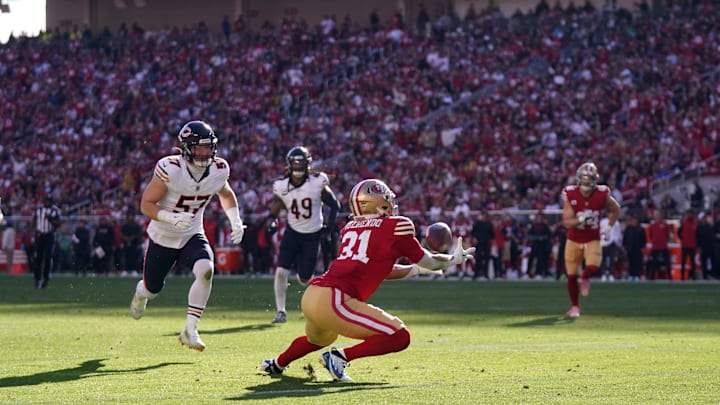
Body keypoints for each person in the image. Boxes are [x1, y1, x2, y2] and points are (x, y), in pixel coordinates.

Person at [258, 179, 475, 381]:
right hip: (335, 300)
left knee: (317, 340)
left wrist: (416, 270)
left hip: (314, 296)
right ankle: (339, 357)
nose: (391, 205)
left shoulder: (350, 228)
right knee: (399, 336)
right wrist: (451, 260)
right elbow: (430, 261)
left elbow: (381, 269)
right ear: (377, 203)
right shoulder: (397, 226)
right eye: (387, 200)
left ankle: (277, 364)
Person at [129, 120, 246, 352]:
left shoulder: (219, 169)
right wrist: (171, 218)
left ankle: (190, 329)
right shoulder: (171, 168)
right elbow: (146, 204)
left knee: (206, 269)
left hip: (192, 233)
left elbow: (226, 192)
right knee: (152, 289)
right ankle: (140, 294)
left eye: (209, 146)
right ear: (187, 147)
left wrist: (235, 220)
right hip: (163, 235)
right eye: (200, 147)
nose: (206, 152)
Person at [266, 146, 340, 324]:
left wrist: (329, 228)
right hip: (292, 232)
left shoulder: (317, 182)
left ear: (308, 164)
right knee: (281, 271)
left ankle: (323, 301)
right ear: (289, 164)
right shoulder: (282, 185)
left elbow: (334, 205)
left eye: (301, 162)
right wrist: (271, 221)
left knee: (304, 278)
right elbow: (275, 210)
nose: (298, 166)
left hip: (312, 235)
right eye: (295, 162)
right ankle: (281, 311)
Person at [561, 162, 620, 317]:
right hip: (574, 239)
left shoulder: (601, 193)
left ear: (595, 179)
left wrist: (609, 227)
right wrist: (580, 219)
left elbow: (615, 209)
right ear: (579, 178)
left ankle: (585, 277)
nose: (586, 181)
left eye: (589, 178)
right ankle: (575, 306)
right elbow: (567, 222)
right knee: (571, 275)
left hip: (592, 238)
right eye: (584, 178)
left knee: (593, 267)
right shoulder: (570, 193)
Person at [32, 196, 62, 289]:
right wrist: (34, 229)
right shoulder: (39, 209)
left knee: (48, 257)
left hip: (49, 235)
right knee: (38, 257)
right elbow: (34, 219)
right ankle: (37, 279)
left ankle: (46, 278)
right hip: (40, 235)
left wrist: (50, 219)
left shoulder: (55, 210)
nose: (46, 202)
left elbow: (58, 223)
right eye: (45, 200)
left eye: (48, 201)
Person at [647, 211, 672, 280]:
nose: (657, 216)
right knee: (653, 262)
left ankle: (670, 277)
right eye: (656, 215)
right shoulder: (652, 225)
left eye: (658, 215)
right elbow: (650, 235)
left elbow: (667, 235)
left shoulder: (665, 224)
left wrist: (663, 241)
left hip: (663, 246)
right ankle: (652, 277)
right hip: (655, 246)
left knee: (667, 262)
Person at [622, 214, 646, 282]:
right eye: (633, 219)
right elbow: (625, 238)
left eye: (636, 219)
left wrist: (643, 247)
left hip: (638, 249)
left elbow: (644, 239)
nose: (634, 221)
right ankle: (631, 275)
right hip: (630, 248)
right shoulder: (629, 228)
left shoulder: (641, 229)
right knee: (630, 262)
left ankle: (637, 275)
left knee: (637, 263)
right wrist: (624, 247)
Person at [120, 210, 145, 276]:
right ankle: (125, 270)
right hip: (126, 243)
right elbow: (121, 233)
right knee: (125, 257)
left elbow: (139, 234)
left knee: (135, 257)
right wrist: (125, 238)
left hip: (134, 243)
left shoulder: (136, 225)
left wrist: (133, 237)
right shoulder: (125, 225)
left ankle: (134, 270)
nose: (130, 217)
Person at [599, 217, 622, 281]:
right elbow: (599, 231)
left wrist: (618, 242)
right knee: (603, 259)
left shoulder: (616, 222)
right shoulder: (603, 222)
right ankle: (603, 274)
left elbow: (618, 233)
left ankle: (611, 274)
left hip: (613, 243)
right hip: (603, 243)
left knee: (612, 260)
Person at [677, 210, 698, 280]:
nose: (690, 215)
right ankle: (682, 276)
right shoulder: (684, 223)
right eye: (688, 214)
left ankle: (693, 276)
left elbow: (698, 234)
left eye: (691, 214)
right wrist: (683, 239)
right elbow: (678, 232)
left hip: (692, 246)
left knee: (693, 262)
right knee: (683, 261)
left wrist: (696, 243)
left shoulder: (695, 223)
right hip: (685, 246)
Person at [696, 213, 714, 280]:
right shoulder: (699, 227)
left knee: (712, 261)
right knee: (704, 262)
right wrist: (699, 246)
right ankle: (705, 275)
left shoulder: (709, 226)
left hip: (710, 247)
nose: (704, 219)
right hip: (703, 247)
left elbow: (712, 236)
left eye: (705, 218)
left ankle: (711, 274)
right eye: (703, 218)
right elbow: (698, 238)